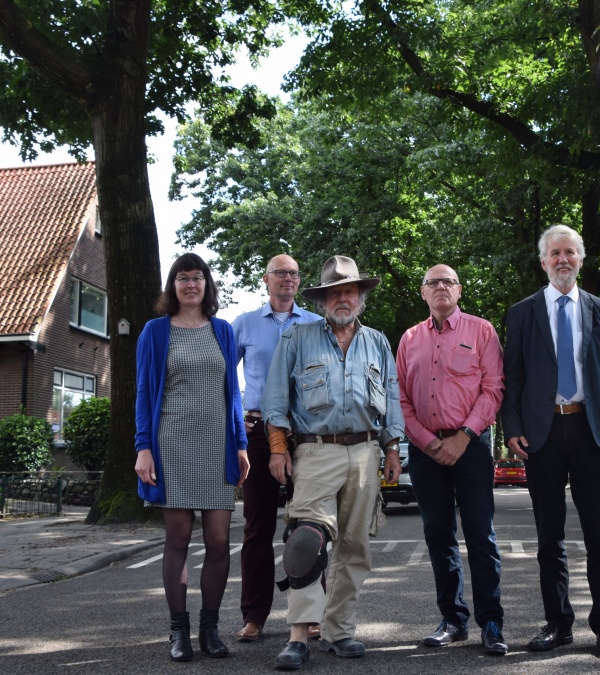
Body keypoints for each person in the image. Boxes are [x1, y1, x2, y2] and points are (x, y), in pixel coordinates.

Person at [261, 255, 405, 671]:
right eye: (334, 292)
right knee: (305, 540)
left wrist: (392, 447)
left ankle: (339, 630)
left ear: (360, 297)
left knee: (355, 547)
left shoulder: (378, 341)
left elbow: (391, 399)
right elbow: (275, 399)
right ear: (323, 300)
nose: (343, 298)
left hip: (365, 452)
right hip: (314, 450)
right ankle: (298, 635)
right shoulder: (297, 337)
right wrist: (276, 447)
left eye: (350, 291)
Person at [500, 224, 600, 659]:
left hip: (591, 430)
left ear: (581, 258)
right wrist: (512, 425)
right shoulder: (522, 313)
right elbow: (512, 377)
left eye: (570, 252)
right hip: (542, 433)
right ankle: (557, 623)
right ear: (543, 261)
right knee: (549, 538)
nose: (562, 259)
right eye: (554, 253)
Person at [134, 252, 250, 662]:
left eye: (197, 278)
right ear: (173, 286)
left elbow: (233, 394)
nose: (190, 285)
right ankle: (178, 630)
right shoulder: (154, 331)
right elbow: (144, 393)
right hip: (172, 444)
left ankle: (210, 628)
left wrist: (240, 444)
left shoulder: (222, 330)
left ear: (207, 285)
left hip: (217, 446)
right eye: (182, 278)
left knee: (219, 541)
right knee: (179, 539)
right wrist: (143, 447)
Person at [395, 264, 507, 655]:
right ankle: (453, 620)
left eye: (448, 281)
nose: (440, 287)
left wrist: (464, 437)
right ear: (423, 293)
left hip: (471, 447)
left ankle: (491, 622)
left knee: (481, 536)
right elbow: (401, 399)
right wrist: (426, 442)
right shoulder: (409, 339)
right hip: (426, 452)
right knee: (438, 537)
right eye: (432, 282)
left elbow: (493, 390)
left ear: (459, 290)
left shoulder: (482, 331)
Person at [232, 254, 321, 643]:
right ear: (265, 280)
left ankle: (311, 615)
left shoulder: (316, 325)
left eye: (294, 273)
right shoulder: (244, 325)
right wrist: (235, 424)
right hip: (257, 433)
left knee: (311, 526)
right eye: (280, 273)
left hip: (306, 434)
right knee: (258, 527)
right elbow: (221, 380)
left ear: (299, 282)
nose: (288, 278)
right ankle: (254, 615)